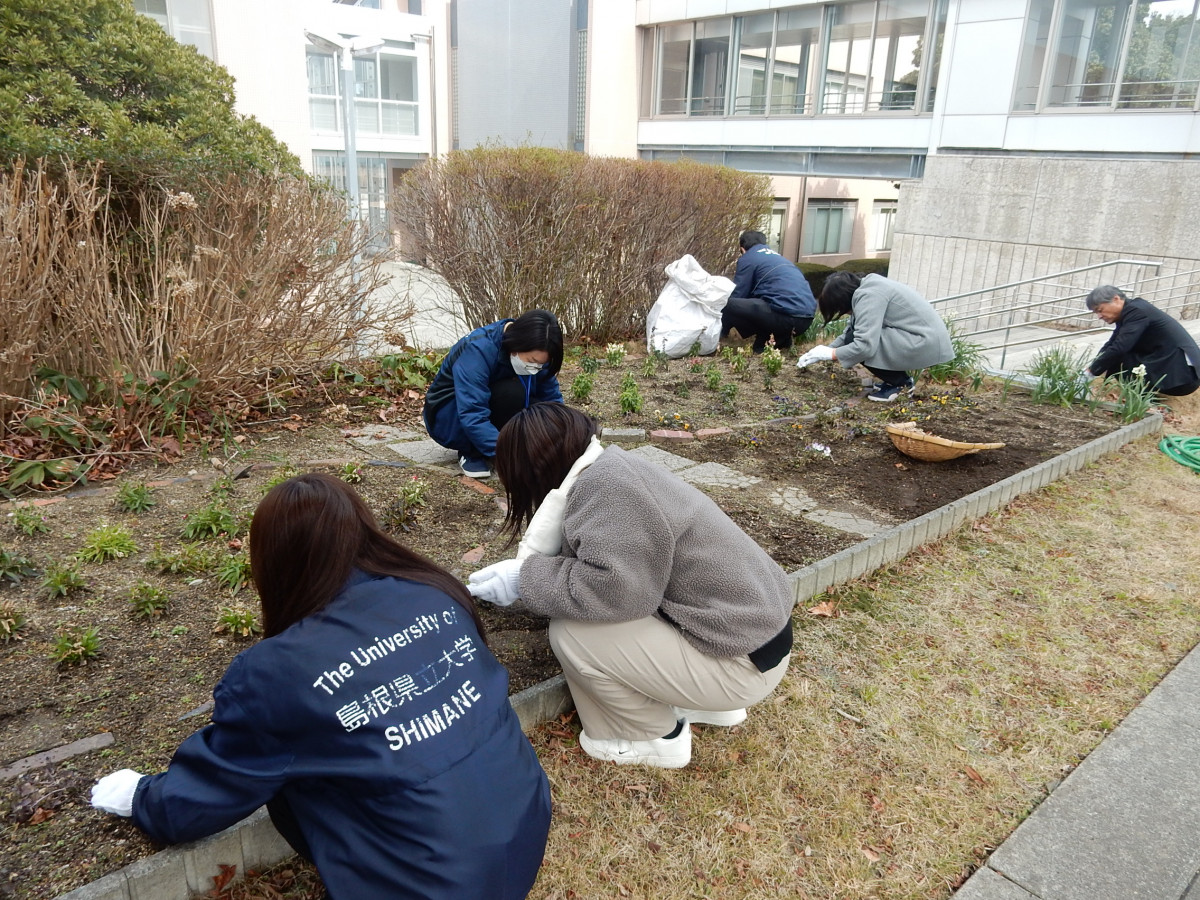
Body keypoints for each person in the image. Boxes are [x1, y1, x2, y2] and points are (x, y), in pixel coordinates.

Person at [90, 473, 551, 900]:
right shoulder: (433, 591)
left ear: (271, 560)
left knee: (284, 763)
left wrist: (142, 798)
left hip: (432, 885)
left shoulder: (276, 672)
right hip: (523, 829)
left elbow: (220, 784)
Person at [466, 403, 794, 770]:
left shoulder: (608, 493)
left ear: (529, 470)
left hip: (738, 667)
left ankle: (655, 736)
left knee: (573, 634)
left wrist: (522, 580)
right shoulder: (616, 468)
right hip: (753, 642)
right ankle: (702, 703)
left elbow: (615, 592)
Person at [423, 309, 564, 479]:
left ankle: (499, 444)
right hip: (450, 414)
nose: (536, 368)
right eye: (532, 362)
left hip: (490, 401)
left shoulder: (539, 350)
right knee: (511, 392)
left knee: (540, 407)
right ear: (517, 345)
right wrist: (509, 457)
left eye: (542, 364)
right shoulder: (478, 349)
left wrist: (563, 438)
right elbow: (472, 410)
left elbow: (552, 399)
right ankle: (471, 450)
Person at [798, 270, 953, 403]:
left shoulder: (869, 295)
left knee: (861, 343)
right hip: (921, 338)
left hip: (923, 342)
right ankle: (897, 381)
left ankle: (899, 384)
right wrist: (825, 349)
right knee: (855, 338)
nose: (844, 313)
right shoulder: (867, 286)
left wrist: (831, 354)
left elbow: (864, 345)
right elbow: (851, 330)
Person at [1083, 286, 1200, 396]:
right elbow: (1111, 343)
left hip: (1183, 377)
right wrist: (1091, 369)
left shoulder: (1136, 311)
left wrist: (1090, 373)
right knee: (1113, 355)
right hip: (1178, 371)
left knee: (1118, 358)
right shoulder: (1130, 311)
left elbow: (1120, 347)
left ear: (1116, 299)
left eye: (1100, 310)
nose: (1099, 316)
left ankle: (1144, 402)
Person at [721, 230, 816, 352]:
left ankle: (719, 336)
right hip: (805, 320)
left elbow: (739, 294)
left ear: (742, 249)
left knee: (726, 303)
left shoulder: (748, 258)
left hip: (782, 317)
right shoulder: (779, 258)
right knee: (764, 306)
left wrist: (723, 324)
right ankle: (778, 342)